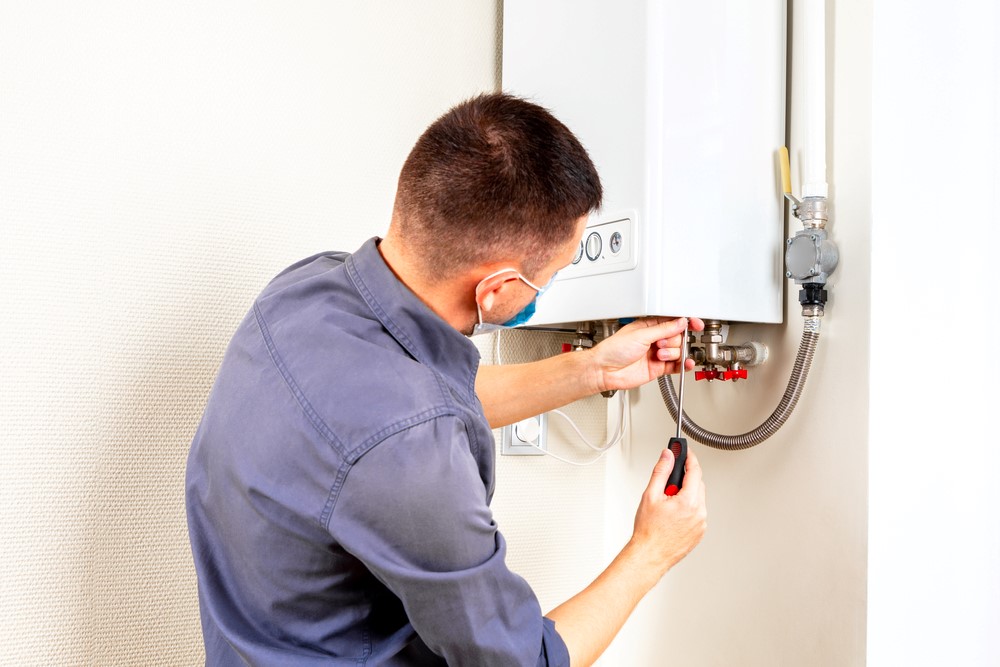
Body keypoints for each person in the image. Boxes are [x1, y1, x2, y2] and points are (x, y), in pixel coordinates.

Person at [186, 92, 707, 666]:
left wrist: (593, 369)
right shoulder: (410, 450)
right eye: (552, 275)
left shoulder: (306, 290)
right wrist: (652, 549)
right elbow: (523, 662)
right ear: (498, 289)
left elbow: (409, 407)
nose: (549, 287)